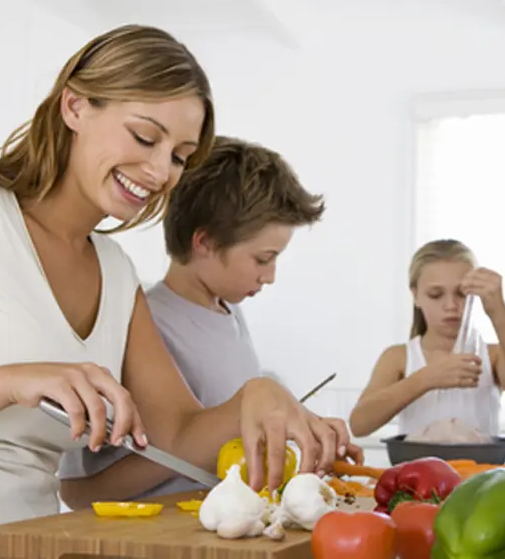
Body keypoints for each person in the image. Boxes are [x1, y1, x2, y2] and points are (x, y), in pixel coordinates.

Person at [0, 24, 353, 553]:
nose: (160, 169)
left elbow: (178, 435)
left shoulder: (115, 272)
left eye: (180, 155)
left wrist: (258, 396)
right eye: (145, 137)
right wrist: (5, 382)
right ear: (74, 107)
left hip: (20, 545)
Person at [57, 136, 362, 507]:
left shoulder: (230, 314)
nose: (270, 276)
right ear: (205, 243)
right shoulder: (142, 325)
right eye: (262, 259)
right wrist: (207, 441)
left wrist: (292, 430)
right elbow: (78, 489)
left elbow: (231, 441)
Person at [348, 239, 505, 438]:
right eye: (435, 294)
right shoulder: (398, 357)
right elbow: (359, 425)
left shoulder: (493, 356)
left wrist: (497, 310)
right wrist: (427, 378)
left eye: (461, 294)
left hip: (484, 468)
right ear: (415, 296)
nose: (450, 305)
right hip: (415, 469)